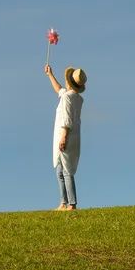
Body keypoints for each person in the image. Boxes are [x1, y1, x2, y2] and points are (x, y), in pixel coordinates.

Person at [44, 64, 88, 210]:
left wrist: (63, 137)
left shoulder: (68, 98)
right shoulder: (74, 97)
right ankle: (64, 202)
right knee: (60, 170)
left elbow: (67, 120)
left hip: (66, 135)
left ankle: (72, 203)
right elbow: (59, 89)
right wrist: (50, 74)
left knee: (66, 171)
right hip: (72, 136)